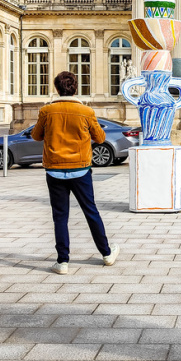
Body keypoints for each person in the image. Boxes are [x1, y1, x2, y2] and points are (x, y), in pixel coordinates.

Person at [31, 71, 119, 274]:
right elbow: (100, 138)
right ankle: (106, 253)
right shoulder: (86, 111)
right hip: (80, 170)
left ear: (56, 88)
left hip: (54, 170)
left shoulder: (47, 111)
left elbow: (36, 136)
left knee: (60, 217)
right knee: (91, 212)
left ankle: (62, 261)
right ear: (75, 88)